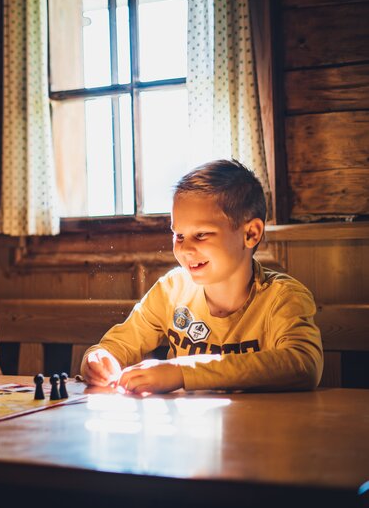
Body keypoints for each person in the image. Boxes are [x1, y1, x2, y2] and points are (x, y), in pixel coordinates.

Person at [81, 159, 323, 393]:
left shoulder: (283, 298)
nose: (185, 249)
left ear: (251, 233)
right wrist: (99, 359)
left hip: (259, 429)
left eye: (201, 235)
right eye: (178, 235)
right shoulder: (171, 291)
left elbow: (303, 364)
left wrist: (181, 372)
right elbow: (118, 345)